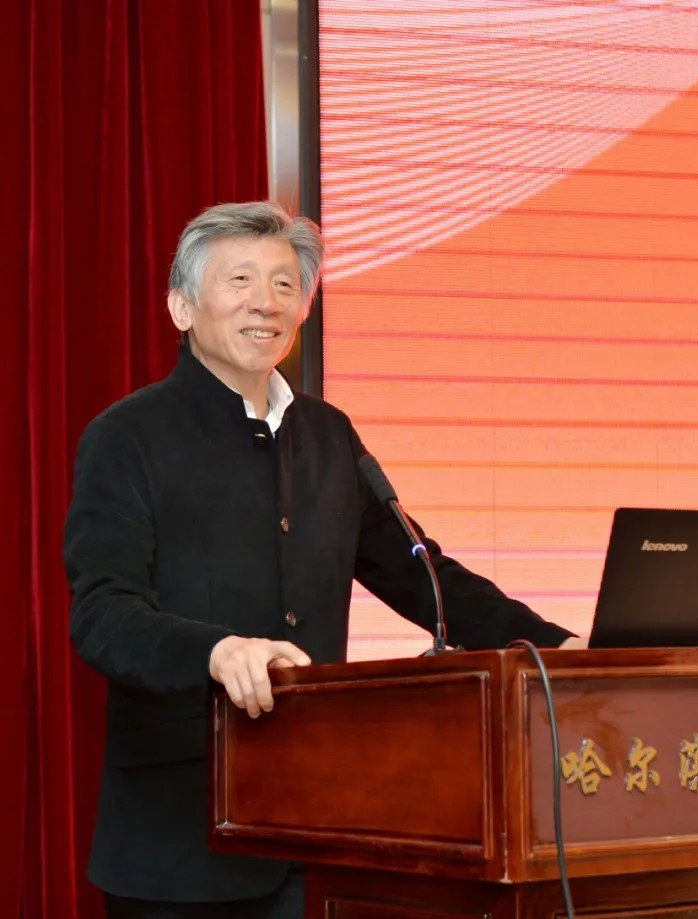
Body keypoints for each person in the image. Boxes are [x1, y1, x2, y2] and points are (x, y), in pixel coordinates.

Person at [64, 201, 582, 918]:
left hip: (316, 825)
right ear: (182, 307)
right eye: (239, 280)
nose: (265, 302)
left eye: (285, 284)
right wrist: (216, 650)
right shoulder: (128, 436)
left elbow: (423, 576)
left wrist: (555, 645)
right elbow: (102, 615)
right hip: (178, 842)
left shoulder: (329, 434)